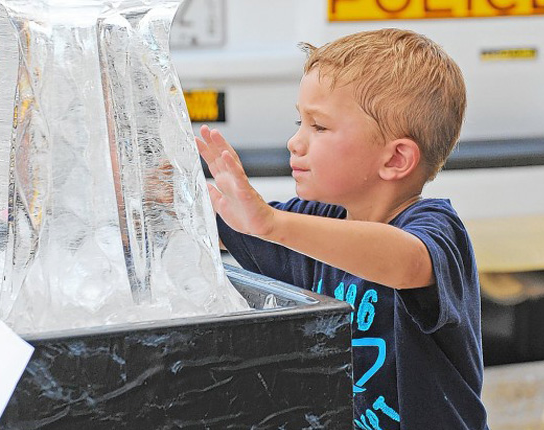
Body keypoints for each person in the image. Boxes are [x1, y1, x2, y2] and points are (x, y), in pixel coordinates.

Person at [196, 28, 488, 429]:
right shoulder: (312, 224)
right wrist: (155, 189)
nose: (294, 142)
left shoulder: (436, 229)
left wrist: (271, 223)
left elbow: (406, 262)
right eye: (299, 121)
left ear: (396, 159)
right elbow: (207, 222)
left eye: (318, 127)